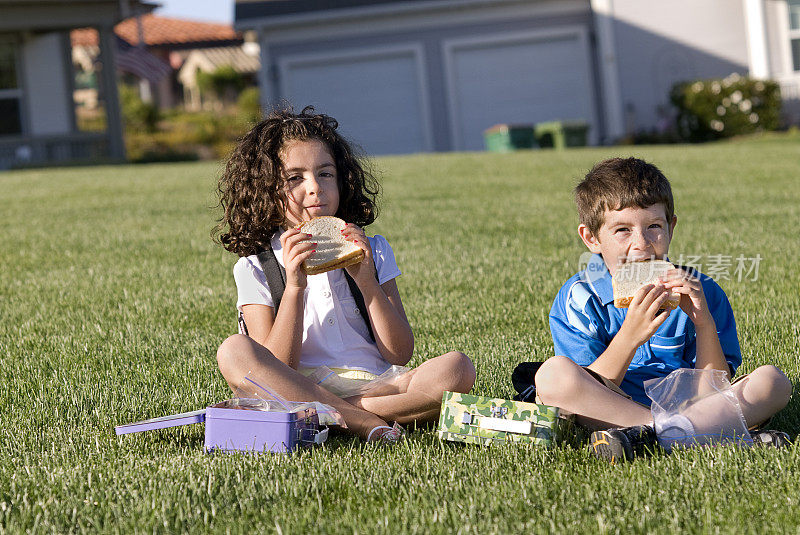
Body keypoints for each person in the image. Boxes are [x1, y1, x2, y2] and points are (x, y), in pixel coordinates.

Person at [213, 105, 475, 443]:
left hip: (378, 384)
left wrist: (366, 281)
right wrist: (294, 287)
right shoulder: (256, 266)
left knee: (457, 368)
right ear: (267, 189)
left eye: (325, 174)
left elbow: (399, 353)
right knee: (234, 351)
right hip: (299, 386)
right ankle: (366, 423)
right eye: (295, 178)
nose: (315, 188)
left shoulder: (373, 249)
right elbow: (277, 366)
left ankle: (335, 414)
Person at [538, 157, 792, 462]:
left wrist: (703, 323)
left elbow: (712, 390)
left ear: (670, 228)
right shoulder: (579, 298)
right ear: (592, 238)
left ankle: (652, 437)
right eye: (622, 230)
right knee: (553, 376)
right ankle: (699, 436)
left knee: (773, 383)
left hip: (695, 407)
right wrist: (629, 336)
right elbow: (589, 384)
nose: (641, 244)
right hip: (611, 407)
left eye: (653, 227)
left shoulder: (701, 290)